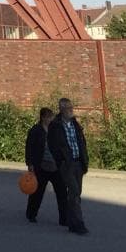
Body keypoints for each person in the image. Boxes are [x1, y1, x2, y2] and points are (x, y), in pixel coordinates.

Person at [47, 97, 89, 236]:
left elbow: (81, 141)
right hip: (67, 164)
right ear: (62, 109)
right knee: (74, 192)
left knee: (76, 194)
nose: (71, 110)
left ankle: (71, 222)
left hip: (78, 162)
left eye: (72, 107)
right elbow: (53, 145)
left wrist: (85, 159)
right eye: (69, 108)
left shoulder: (75, 124)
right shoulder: (56, 125)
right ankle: (79, 223)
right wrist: (61, 160)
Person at [25, 107, 68, 226]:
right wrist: (30, 163)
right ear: (43, 117)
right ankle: (31, 214)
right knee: (37, 192)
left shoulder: (56, 130)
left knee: (62, 192)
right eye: (49, 117)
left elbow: (62, 145)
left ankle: (64, 218)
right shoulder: (36, 130)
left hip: (56, 165)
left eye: (51, 117)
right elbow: (29, 147)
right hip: (41, 165)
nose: (51, 119)